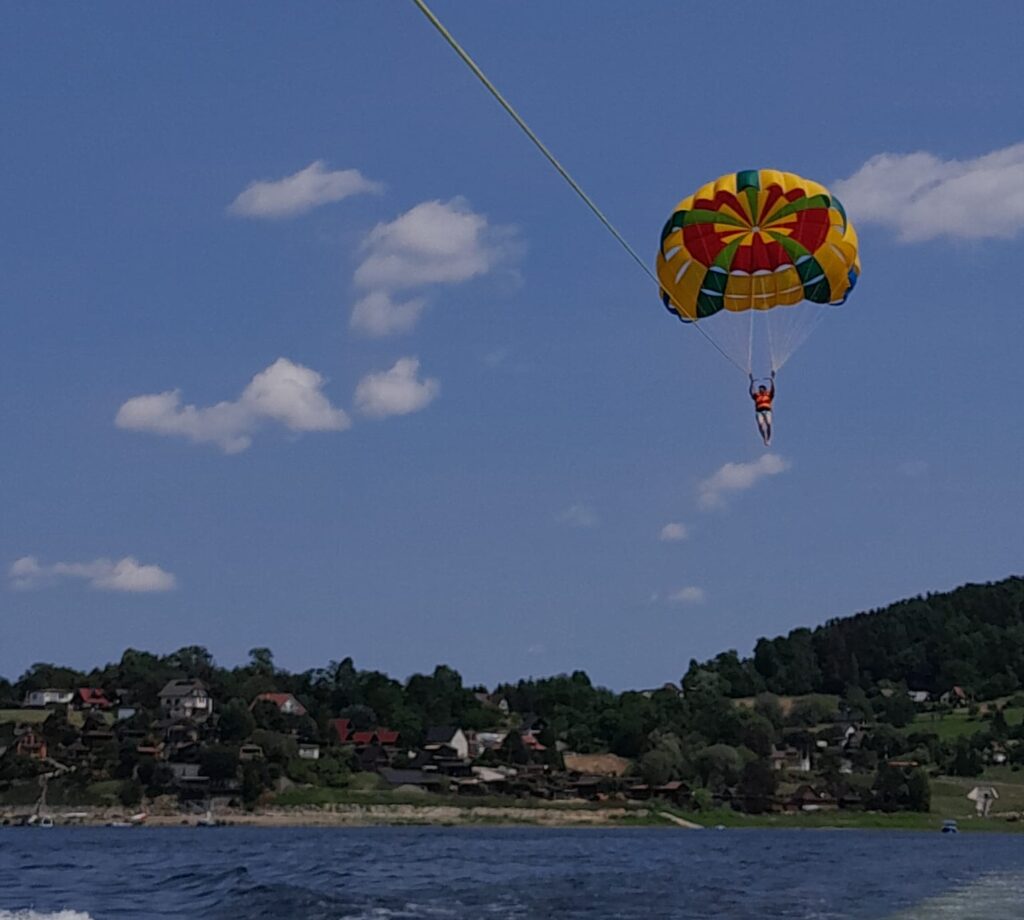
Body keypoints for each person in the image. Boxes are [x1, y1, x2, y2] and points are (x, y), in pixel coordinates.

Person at [749, 371, 775, 446]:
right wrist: (751, 382)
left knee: (769, 424)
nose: (760, 390)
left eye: (761, 389)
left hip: (767, 411)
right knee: (760, 425)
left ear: (764, 389)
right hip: (759, 412)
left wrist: (772, 380)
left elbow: (773, 389)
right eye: (759, 389)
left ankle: (769, 438)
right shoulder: (757, 396)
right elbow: (751, 392)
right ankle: (765, 439)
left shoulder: (768, 395)